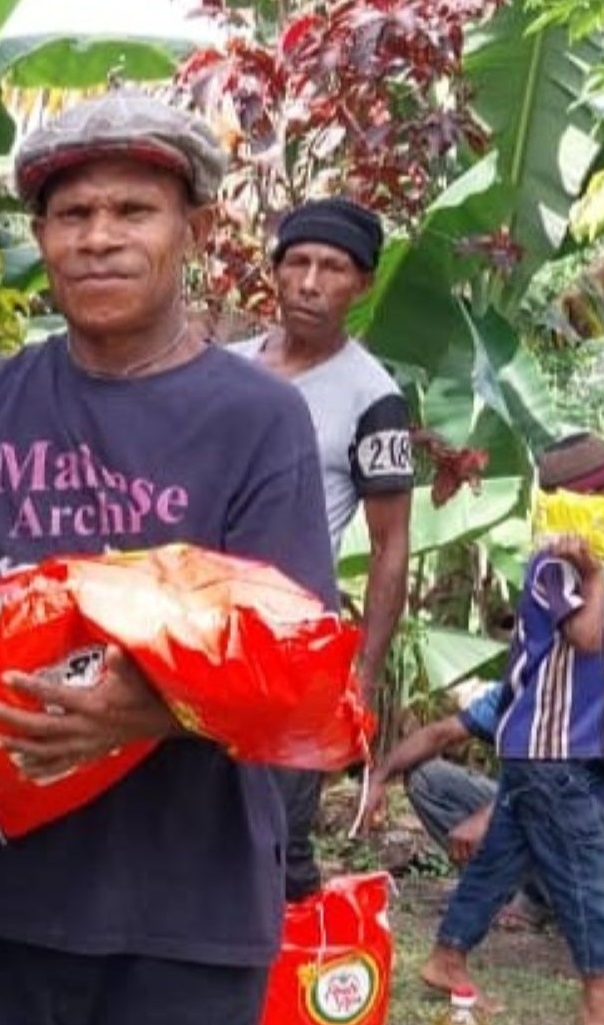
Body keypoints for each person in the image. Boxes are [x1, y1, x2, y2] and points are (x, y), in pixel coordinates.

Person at [0, 92, 338, 1025]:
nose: (99, 239)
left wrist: (146, 709)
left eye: (133, 212)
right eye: (73, 216)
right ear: (41, 236)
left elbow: (295, 667)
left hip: (188, 921)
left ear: (195, 231)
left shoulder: (259, 421)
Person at [420, 433, 604, 1025]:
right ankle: (600, 1000)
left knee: (502, 858)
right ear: (587, 499)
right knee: (589, 861)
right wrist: (594, 577)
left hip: (539, 748)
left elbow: (602, 650)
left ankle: (446, 958)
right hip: (552, 750)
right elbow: (588, 638)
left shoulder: (572, 566)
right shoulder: (559, 565)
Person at [230, 197, 414, 903]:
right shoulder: (227, 366)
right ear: (274, 271)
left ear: (360, 284)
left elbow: (390, 542)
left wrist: (361, 677)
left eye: (332, 268)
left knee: (278, 835)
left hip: (292, 645)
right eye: (297, 262)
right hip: (194, 624)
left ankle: (294, 992)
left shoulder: (374, 399)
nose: (310, 281)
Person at [362, 681, 604, 926]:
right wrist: (378, 778)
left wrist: (485, 817)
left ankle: (542, 899)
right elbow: (441, 733)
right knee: (427, 778)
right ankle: (505, 885)